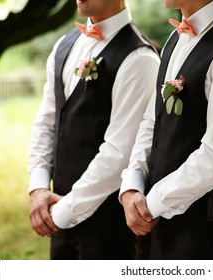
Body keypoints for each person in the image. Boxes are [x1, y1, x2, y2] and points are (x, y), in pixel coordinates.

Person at [119, 0, 213, 259]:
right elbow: (152, 121)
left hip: (202, 228)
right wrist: (131, 185)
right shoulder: (176, 37)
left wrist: (150, 205)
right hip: (154, 219)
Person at [28, 0, 160, 259]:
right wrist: (39, 188)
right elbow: (47, 121)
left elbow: (119, 153)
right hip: (58, 215)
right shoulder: (63, 46)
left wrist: (64, 212)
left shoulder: (140, 59)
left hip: (108, 227)